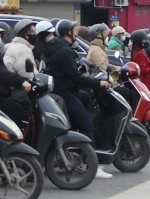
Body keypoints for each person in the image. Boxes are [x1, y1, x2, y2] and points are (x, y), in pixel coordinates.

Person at [42, 20, 112, 178]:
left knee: (85, 96)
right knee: (87, 125)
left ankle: (75, 145)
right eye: (74, 29)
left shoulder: (55, 48)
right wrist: (97, 83)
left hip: (60, 90)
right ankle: (91, 165)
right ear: (68, 32)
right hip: (65, 93)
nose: (76, 32)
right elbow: (75, 76)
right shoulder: (64, 51)